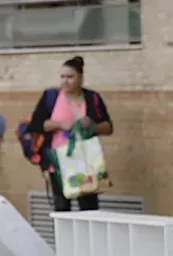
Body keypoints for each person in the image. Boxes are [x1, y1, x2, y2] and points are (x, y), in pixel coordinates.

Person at [27, 55, 113, 212]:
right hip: (59, 161)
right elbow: (36, 124)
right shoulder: (51, 96)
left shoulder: (92, 98)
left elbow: (108, 127)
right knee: (61, 206)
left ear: (80, 78)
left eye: (70, 77)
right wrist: (60, 125)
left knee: (89, 207)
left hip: (86, 161)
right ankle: (63, 237)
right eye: (62, 77)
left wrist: (93, 127)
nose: (65, 81)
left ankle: (88, 237)